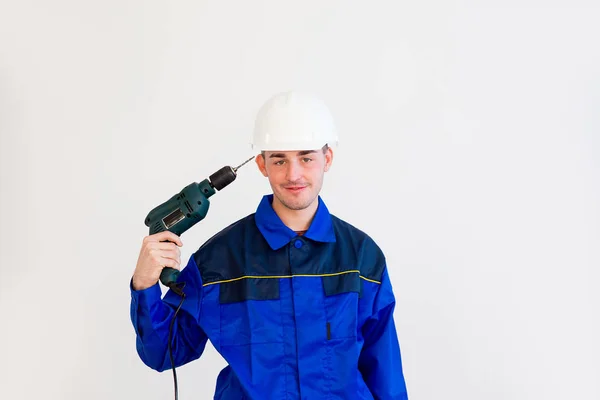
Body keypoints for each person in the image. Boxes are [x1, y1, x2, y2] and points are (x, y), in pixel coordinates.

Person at [130, 91, 409, 399]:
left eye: (306, 158)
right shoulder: (220, 260)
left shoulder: (361, 257)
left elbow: (385, 373)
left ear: (326, 159)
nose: (293, 174)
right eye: (280, 160)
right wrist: (144, 284)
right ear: (262, 164)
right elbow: (164, 353)